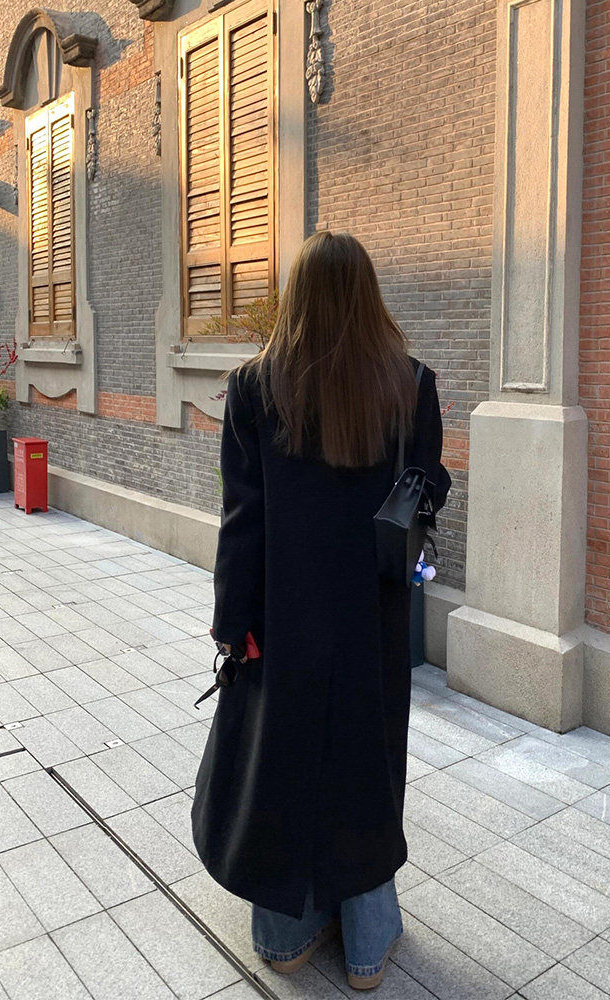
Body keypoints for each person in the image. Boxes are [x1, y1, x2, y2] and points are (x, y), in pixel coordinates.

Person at [190, 230, 452, 990]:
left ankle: (285, 938)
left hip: (282, 619)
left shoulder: (254, 388)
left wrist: (231, 627)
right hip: (373, 621)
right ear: (369, 295)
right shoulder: (411, 384)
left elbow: (242, 522)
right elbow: (429, 488)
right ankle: (367, 948)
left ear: (296, 294)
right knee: (366, 763)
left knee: (280, 761)